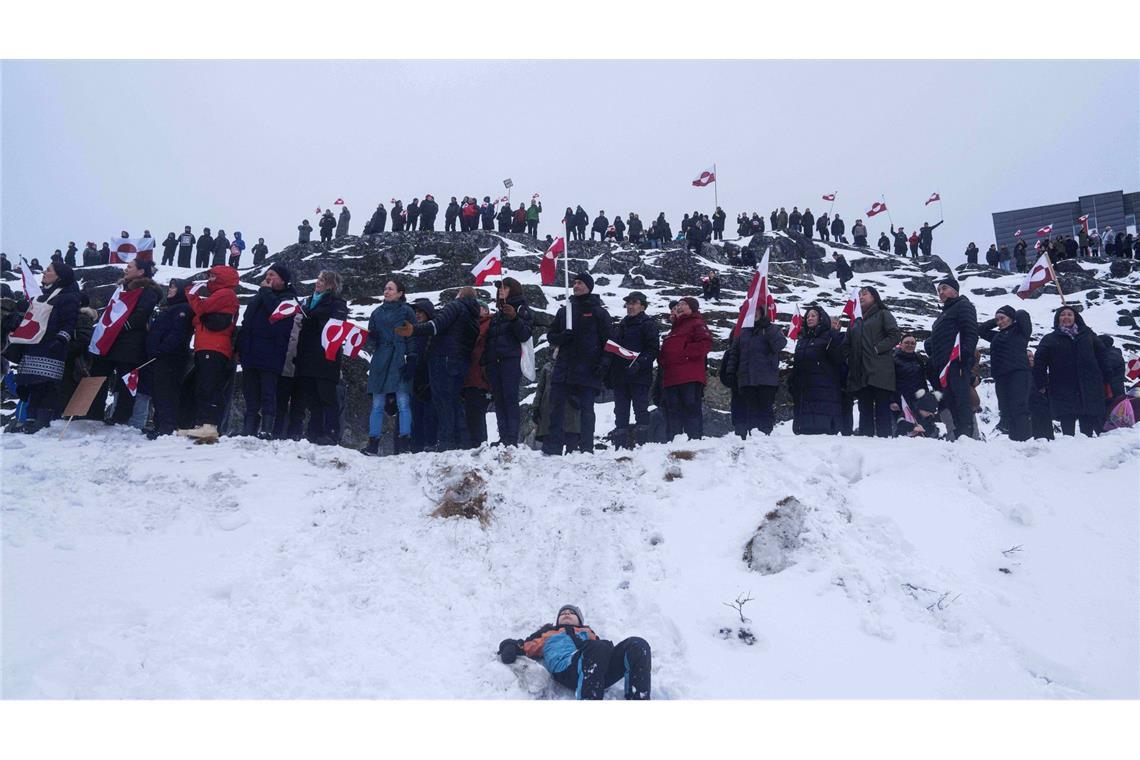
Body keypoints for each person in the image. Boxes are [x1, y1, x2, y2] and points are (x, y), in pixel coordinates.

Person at [498, 605, 651, 700]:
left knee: (637, 645)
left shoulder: (589, 633)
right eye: (563, 613)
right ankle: (588, 698)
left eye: (571, 613)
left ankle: (638, 698)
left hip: (597, 668)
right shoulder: (548, 634)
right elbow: (523, 646)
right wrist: (508, 646)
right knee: (598, 647)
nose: (566, 613)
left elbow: (605, 651)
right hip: (568, 669)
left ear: (579, 620)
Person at [395, 287, 481, 451]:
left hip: (444, 358)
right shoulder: (473, 315)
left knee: (442, 401)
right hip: (461, 361)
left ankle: (446, 441)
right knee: (454, 402)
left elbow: (437, 325)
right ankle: (460, 441)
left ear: (460, 295)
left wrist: (414, 329)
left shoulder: (456, 306)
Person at [85, 258, 163, 425]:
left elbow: (142, 314)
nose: (125, 269)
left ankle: (120, 417)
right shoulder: (120, 289)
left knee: (125, 381)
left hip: (130, 343)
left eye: (129, 267)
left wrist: (123, 326)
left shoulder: (148, 291)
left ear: (141, 271)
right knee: (97, 375)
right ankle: (92, 412)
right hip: (108, 340)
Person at [540, 272, 610, 455]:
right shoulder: (565, 311)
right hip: (564, 367)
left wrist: (603, 363)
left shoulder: (599, 313)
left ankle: (586, 447)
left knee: (587, 410)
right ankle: (553, 448)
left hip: (589, 368)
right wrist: (561, 338)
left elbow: (608, 342)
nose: (576, 285)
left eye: (580, 283)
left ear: (589, 287)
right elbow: (551, 336)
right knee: (556, 409)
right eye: (574, 282)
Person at [6, 263, 81, 433]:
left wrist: (61, 339)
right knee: (32, 384)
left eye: (49, 270)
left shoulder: (69, 297)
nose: (44, 272)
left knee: (46, 385)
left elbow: (69, 322)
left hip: (52, 346)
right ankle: (30, 419)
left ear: (59, 277)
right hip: (33, 345)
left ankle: (42, 420)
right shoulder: (40, 296)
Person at [236, 263, 299, 439]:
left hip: (271, 353)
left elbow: (276, 313)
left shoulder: (289, 299)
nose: (268, 277)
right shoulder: (261, 295)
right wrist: (240, 346)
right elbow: (247, 320)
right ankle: (249, 427)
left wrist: (265, 292)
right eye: (267, 274)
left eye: (273, 274)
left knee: (268, 392)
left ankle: (267, 428)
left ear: (283, 279)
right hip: (251, 351)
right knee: (250, 392)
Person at [177, 265, 240, 439]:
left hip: (214, 347)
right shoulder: (220, 295)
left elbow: (202, 309)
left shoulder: (226, 293)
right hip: (208, 346)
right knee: (198, 385)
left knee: (208, 386)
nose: (209, 280)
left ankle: (209, 425)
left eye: (213, 276)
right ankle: (199, 423)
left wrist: (191, 294)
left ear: (223, 278)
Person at [290, 270, 349, 445]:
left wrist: (313, 319)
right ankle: (314, 432)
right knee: (312, 398)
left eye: (322, 280)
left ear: (331, 284)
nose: (318, 282)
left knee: (327, 397)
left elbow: (335, 327)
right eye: (318, 279)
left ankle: (331, 432)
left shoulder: (337, 304)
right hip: (307, 356)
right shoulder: (308, 302)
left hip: (326, 358)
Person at [1032, 305, 1109, 437]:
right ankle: (1070, 452)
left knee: (1088, 423)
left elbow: (1102, 354)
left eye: (1069, 314)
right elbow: (1039, 362)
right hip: (1063, 386)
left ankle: (1093, 451)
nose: (1066, 317)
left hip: (1089, 385)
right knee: (1067, 425)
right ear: (1058, 319)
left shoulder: (1088, 335)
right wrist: (1042, 383)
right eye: (1062, 315)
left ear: (1076, 318)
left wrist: (1106, 375)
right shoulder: (1050, 339)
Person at [362, 278, 416, 455]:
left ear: (400, 293)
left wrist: (412, 357)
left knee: (403, 402)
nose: (386, 291)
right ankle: (373, 444)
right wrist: (372, 340)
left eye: (391, 289)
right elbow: (370, 337)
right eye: (385, 288)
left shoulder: (407, 311)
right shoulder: (376, 312)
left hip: (400, 357)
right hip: (380, 358)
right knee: (377, 403)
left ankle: (404, 444)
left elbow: (412, 336)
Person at [924, 276, 979, 441]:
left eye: (944, 288)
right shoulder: (943, 314)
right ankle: (958, 435)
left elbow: (970, 332)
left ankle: (967, 434)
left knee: (962, 400)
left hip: (957, 362)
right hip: (943, 367)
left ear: (955, 290)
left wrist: (966, 359)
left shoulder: (963, 305)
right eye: (939, 290)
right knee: (950, 400)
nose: (941, 292)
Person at [843, 286, 901, 437]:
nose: (861, 297)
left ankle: (884, 440)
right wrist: (850, 358)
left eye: (865, 294)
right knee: (864, 408)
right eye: (860, 294)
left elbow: (894, 335)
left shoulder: (883, 314)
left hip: (880, 370)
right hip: (861, 372)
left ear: (874, 297)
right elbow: (846, 344)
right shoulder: (854, 320)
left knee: (882, 408)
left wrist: (877, 349)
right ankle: (865, 440)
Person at [722, 302, 785, 437]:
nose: (754, 313)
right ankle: (753, 437)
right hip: (747, 379)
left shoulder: (770, 328)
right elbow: (734, 353)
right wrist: (731, 372)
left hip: (766, 379)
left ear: (762, 312)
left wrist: (768, 327)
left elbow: (779, 345)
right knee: (751, 410)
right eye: (751, 310)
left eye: (756, 310)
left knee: (765, 409)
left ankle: (765, 436)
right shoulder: (743, 332)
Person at [484, 277, 533, 447]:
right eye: (499, 288)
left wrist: (514, 318)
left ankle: (512, 438)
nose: (500, 290)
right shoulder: (498, 314)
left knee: (510, 398)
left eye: (505, 287)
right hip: (495, 362)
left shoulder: (521, 309)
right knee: (499, 399)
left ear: (514, 290)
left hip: (511, 360)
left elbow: (525, 334)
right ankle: (503, 436)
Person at [606, 291, 659, 448]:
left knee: (641, 411)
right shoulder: (621, 326)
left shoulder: (648, 324)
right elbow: (613, 350)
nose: (630, 306)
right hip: (620, 377)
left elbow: (653, 349)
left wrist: (639, 363)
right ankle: (620, 448)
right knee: (620, 413)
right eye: (628, 303)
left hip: (640, 377)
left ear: (642, 306)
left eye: (634, 303)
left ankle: (644, 447)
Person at [145, 279, 194, 439]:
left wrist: (161, 350)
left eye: (174, 287)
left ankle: (167, 427)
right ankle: (160, 424)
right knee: (159, 391)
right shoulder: (170, 308)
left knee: (168, 392)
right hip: (161, 357)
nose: (170, 289)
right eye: (171, 286)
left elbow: (177, 334)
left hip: (172, 357)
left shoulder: (184, 308)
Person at [658, 297, 712, 441]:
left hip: (689, 375)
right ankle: (674, 442)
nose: (679, 306)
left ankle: (694, 441)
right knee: (673, 410)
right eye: (679, 304)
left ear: (692, 308)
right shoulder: (674, 329)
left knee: (690, 408)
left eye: (684, 304)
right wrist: (664, 360)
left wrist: (684, 354)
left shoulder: (697, 323)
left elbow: (705, 343)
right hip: (671, 377)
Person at [978, 305, 1032, 441]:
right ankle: (1014, 439)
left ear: (1012, 319)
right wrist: (996, 319)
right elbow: (981, 330)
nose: (1000, 322)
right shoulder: (996, 335)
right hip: (1001, 376)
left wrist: (1014, 314)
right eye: (997, 320)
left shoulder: (1020, 332)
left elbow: (1023, 315)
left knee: (1019, 406)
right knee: (1006, 407)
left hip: (1018, 373)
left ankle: (1024, 438)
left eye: (1003, 318)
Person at [788, 305, 843, 435]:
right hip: (804, 391)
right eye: (807, 316)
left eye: (813, 315)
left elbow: (838, 360)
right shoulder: (802, 341)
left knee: (820, 435)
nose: (809, 318)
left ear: (821, 318)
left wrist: (835, 337)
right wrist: (792, 383)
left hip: (824, 391)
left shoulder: (829, 336)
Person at [406, 298, 437, 452]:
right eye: (415, 312)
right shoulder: (413, 333)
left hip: (430, 378)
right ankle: (416, 446)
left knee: (430, 415)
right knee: (415, 415)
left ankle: (430, 443)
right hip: (415, 379)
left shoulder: (433, 332)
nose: (417, 315)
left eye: (420, 312)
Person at [462, 301, 492, 448]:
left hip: (480, 374)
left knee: (477, 411)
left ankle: (479, 442)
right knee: (470, 411)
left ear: (486, 311)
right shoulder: (473, 324)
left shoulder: (487, 324)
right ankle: (473, 442)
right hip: (470, 374)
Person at [890, 334, 930, 417]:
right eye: (907, 343)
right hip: (899, 401)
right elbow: (889, 382)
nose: (910, 345)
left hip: (917, 401)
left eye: (912, 343)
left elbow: (922, 381)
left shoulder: (919, 359)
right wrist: (892, 401)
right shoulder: (893, 360)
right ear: (901, 344)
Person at [1026, 351, 1053, 440]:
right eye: (1029, 356)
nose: (1032, 358)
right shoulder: (1023, 374)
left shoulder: (1040, 371)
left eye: (1032, 356)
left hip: (1043, 406)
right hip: (1031, 407)